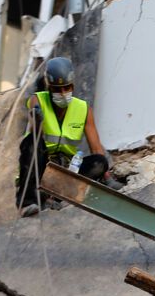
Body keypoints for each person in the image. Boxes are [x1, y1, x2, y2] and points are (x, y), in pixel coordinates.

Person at [17, 57, 109, 217]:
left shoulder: (83, 109)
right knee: (31, 143)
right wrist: (38, 120)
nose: (63, 93)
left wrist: (106, 175)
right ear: (49, 88)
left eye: (67, 88)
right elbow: (35, 133)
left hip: (65, 171)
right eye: (57, 89)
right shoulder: (37, 100)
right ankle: (28, 203)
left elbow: (96, 148)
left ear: (72, 85)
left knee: (99, 162)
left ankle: (60, 197)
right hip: (41, 168)